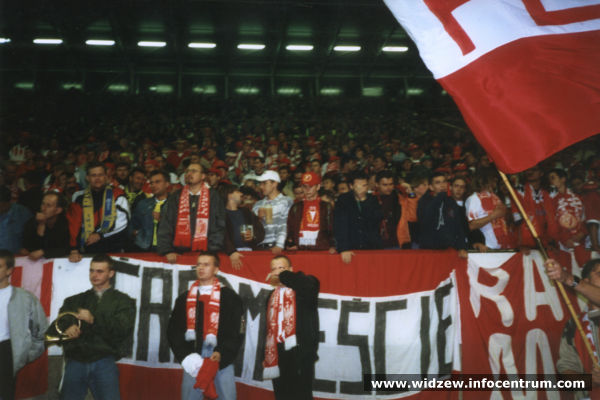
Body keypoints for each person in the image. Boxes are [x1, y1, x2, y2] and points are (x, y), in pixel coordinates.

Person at [58, 254, 136, 400]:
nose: (94, 275)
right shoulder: (74, 300)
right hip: (76, 360)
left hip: (104, 360)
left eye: (100, 271)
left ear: (111, 273)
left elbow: (122, 329)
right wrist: (68, 327)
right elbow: (61, 320)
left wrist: (94, 320)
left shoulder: (123, 301)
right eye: (92, 270)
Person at [167, 252, 243, 400]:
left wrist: (222, 352)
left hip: (220, 357)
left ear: (216, 269)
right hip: (193, 357)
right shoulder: (184, 298)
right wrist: (186, 356)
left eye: (206, 264)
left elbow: (237, 331)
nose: (201, 268)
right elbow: (173, 331)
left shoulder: (230, 298)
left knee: (227, 397)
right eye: (199, 264)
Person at [263, 255, 319, 400]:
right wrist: (265, 355)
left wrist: (283, 275)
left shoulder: (303, 289)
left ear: (291, 270)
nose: (276, 272)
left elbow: (308, 284)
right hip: (278, 352)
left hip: (300, 352)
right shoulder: (271, 295)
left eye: (281, 268)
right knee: (281, 395)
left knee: (302, 395)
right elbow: (267, 328)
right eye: (273, 269)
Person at [0, 250, 48, 400]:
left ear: (9, 270)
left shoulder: (24, 298)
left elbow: (42, 333)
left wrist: (24, 355)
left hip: (6, 352)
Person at [157, 162, 225, 264]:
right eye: (187, 171)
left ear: (203, 176)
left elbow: (219, 225)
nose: (189, 173)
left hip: (206, 253)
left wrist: (211, 250)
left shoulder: (213, 196)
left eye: (193, 171)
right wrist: (167, 250)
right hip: (178, 254)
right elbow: (166, 224)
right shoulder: (176, 196)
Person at [552, 259, 600, 397]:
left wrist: (567, 278)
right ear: (586, 282)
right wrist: (591, 381)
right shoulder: (574, 324)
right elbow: (567, 374)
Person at [67, 162, 130, 261]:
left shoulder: (118, 195)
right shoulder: (79, 198)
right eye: (93, 175)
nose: (97, 178)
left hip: (113, 248)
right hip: (87, 250)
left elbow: (122, 222)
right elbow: (74, 225)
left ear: (106, 176)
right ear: (87, 178)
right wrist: (74, 249)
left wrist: (100, 235)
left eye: (100, 175)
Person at [334, 171, 383, 264]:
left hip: (371, 246)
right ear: (351, 186)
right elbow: (340, 225)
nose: (361, 189)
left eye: (364, 186)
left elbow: (376, 221)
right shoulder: (343, 200)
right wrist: (343, 248)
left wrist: (364, 201)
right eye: (358, 186)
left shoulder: (373, 200)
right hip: (351, 246)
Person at [417, 172, 468, 258]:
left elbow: (459, 226)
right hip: (429, 249)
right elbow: (425, 221)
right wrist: (439, 197)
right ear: (431, 187)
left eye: (444, 182)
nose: (442, 185)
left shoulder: (451, 202)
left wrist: (462, 247)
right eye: (438, 183)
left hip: (447, 248)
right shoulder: (424, 202)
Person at [219, 184, 265, 270]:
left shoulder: (247, 212)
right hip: (229, 256)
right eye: (237, 191)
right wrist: (231, 252)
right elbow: (221, 235)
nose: (241, 194)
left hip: (250, 253)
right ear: (230, 195)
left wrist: (253, 236)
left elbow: (260, 231)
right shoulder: (220, 214)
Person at [465, 169, 513, 250]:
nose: (495, 181)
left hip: (504, 247)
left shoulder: (496, 197)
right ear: (484, 180)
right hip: (487, 248)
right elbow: (471, 225)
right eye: (493, 178)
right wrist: (493, 216)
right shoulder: (473, 199)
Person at [286, 172, 335, 252]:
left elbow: (331, 228)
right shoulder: (296, 207)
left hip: (321, 249)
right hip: (300, 249)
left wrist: (333, 245)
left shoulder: (326, 206)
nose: (307, 190)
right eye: (305, 187)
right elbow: (290, 229)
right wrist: (290, 244)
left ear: (318, 187)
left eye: (311, 186)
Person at [252, 171, 294, 255]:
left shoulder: (286, 201)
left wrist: (279, 245)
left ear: (275, 184)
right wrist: (258, 219)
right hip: (259, 248)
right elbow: (252, 229)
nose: (261, 186)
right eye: (260, 183)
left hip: (277, 247)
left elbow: (284, 224)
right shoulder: (257, 205)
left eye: (264, 183)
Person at [21, 191, 71, 259]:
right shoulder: (31, 222)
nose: (43, 208)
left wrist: (44, 252)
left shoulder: (65, 224)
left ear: (58, 210)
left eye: (48, 205)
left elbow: (65, 249)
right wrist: (41, 225)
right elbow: (28, 248)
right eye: (43, 204)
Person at [130, 170, 170, 252]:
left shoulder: (176, 203)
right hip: (144, 247)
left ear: (167, 184)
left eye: (157, 182)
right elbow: (132, 225)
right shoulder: (143, 204)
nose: (153, 185)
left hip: (168, 248)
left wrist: (162, 220)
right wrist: (137, 233)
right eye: (151, 183)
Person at [548, 169, 587, 251]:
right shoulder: (550, 200)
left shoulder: (578, 198)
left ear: (563, 179)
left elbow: (585, 219)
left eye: (553, 178)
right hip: (561, 244)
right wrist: (565, 239)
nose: (550, 181)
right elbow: (552, 225)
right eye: (549, 179)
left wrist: (581, 234)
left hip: (581, 241)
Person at [0, 185, 33, 253]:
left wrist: (27, 248)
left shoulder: (22, 213)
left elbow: (32, 236)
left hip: (16, 257)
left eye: (2, 206)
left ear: (9, 202)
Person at [374, 170, 401, 248]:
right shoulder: (371, 199)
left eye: (391, 184)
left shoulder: (400, 198)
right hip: (376, 242)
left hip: (396, 241)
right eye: (385, 185)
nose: (388, 187)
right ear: (377, 184)